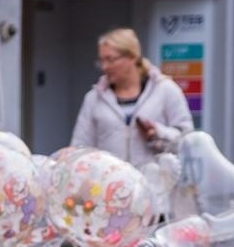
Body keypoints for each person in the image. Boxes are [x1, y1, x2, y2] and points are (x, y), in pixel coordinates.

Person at [71, 28, 193, 168]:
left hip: (155, 186)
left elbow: (187, 141)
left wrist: (158, 133)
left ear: (132, 57)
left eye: (110, 60)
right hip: (110, 186)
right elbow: (79, 148)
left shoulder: (165, 90)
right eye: (101, 61)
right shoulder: (93, 98)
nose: (104, 67)